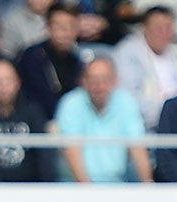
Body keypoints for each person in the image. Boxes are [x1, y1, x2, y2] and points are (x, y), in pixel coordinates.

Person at [54, 54, 151, 183]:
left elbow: (138, 148)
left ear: (115, 81)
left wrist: (148, 187)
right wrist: (90, 194)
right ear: (83, 81)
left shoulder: (126, 101)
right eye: (93, 79)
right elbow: (72, 152)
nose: (99, 85)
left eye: (105, 79)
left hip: (117, 185)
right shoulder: (71, 103)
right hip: (75, 188)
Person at [115, 0, 177, 127]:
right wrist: (167, 114)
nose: (163, 33)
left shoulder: (173, 53)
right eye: (158, 27)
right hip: (148, 126)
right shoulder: (128, 53)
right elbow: (128, 100)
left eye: (167, 27)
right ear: (144, 27)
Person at [16, 0, 80, 115]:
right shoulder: (32, 57)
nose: (64, 32)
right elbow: (36, 98)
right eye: (58, 26)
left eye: (70, 26)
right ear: (48, 27)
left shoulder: (76, 61)